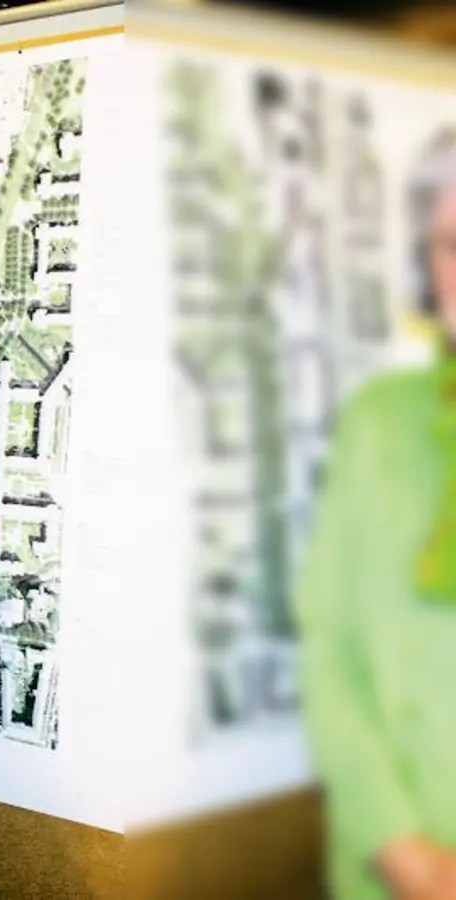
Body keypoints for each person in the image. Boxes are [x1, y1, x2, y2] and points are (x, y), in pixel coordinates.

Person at [297, 129, 456, 900]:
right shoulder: (379, 422)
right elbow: (328, 648)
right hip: (394, 870)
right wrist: (405, 852)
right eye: (454, 245)